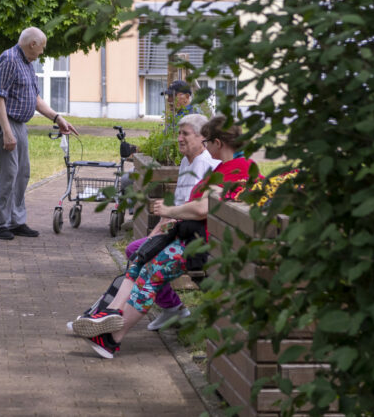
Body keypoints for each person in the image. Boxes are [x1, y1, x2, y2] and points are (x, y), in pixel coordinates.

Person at [70, 115, 258, 359]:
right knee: (142, 259)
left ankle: (112, 338)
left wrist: (169, 211)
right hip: (198, 238)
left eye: (209, 140)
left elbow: (202, 208)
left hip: (206, 245)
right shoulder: (230, 167)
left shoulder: (236, 168)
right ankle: (109, 316)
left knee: (151, 270)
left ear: (219, 143)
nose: (206, 145)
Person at [124, 113, 217, 330]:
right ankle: (172, 308)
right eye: (178, 133)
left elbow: (194, 210)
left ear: (202, 137)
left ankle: (173, 309)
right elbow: (176, 205)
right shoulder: (187, 161)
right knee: (137, 250)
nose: (179, 138)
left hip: (193, 236)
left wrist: (157, 234)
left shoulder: (206, 165)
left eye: (185, 134)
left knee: (140, 254)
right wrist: (154, 233)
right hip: (179, 229)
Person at [0, 27, 78, 240]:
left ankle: (16, 221)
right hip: (4, 120)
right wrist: (7, 132)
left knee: (22, 172)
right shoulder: (8, 59)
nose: (43, 52)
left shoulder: (26, 63)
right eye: (42, 47)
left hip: (18, 122)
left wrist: (58, 118)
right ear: (33, 44)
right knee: (9, 172)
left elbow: (35, 98)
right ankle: (0, 225)